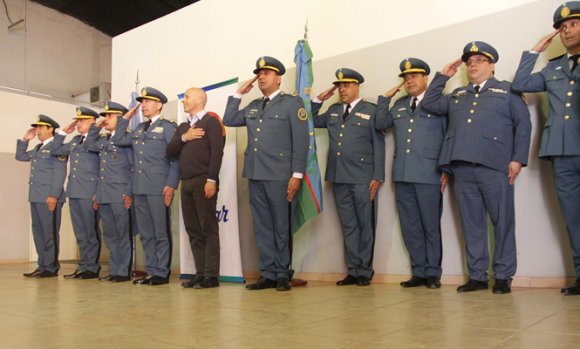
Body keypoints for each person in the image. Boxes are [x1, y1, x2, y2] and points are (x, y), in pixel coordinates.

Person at [421, 41, 532, 294]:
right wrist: (442, 76)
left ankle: (503, 275)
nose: (473, 64)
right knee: (472, 224)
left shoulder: (508, 92)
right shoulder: (458, 95)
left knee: (503, 222)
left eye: (479, 60)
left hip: (495, 166)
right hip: (462, 168)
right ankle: (478, 276)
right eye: (469, 62)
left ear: (492, 65)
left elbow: (523, 125)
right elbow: (429, 104)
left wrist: (518, 159)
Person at [223, 56, 309, 291]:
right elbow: (228, 119)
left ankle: (283, 273)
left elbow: (301, 142)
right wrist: (239, 94)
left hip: (281, 175)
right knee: (262, 226)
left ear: (278, 77)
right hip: (255, 174)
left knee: (281, 225)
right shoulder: (252, 106)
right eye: (259, 73)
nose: (261, 76)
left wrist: (297, 175)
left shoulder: (292, 104)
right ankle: (268, 273)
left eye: (267, 73)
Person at [512, 1, 580, 295]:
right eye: (562, 28)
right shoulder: (553, 69)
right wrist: (534, 52)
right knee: (573, 218)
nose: (566, 31)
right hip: (562, 152)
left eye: (573, 24)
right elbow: (520, 84)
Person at [375, 58, 447, 289]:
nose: (409, 80)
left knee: (430, 225)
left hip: (429, 172)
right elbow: (380, 123)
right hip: (403, 174)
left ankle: (433, 273)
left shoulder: (439, 104)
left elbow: (449, 137)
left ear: (425, 77)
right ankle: (418, 271)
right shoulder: (399, 105)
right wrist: (384, 99)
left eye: (414, 76)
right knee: (410, 225)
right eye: (406, 78)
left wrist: (446, 169)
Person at [312, 68, 385, 287]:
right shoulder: (333, 110)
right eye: (340, 86)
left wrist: (377, 176)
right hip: (339, 176)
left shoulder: (370, 110)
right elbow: (310, 120)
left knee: (365, 224)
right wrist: (317, 100)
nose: (342, 89)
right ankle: (352, 269)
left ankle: (364, 270)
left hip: (363, 177)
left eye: (347, 85)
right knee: (349, 226)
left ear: (357, 86)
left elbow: (378, 145)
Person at [114, 87, 180, 286]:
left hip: (158, 187)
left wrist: (171, 184)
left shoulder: (168, 127)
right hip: (139, 188)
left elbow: (175, 158)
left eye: (147, 101)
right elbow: (118, 139)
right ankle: (152, 270)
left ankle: (161, 272)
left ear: (159, 104)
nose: (143, 105)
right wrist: (124, 119)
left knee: (160, 231)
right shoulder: (139, 128)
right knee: (146, 233)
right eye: (141, 102)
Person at [167, 87, 224, 289]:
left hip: (203, 181)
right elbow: (170, 150)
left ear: (199, 100)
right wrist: (185, 137)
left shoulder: (211, 122)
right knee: (193, 229)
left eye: (187, 98)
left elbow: (217, 152)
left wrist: (212, 179)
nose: (183, 101)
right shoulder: (183, 127)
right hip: (186, 182)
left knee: (208, 227)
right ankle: (200, 273)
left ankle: (211, 275)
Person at [84, 101, 134, 283]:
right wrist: (96, 126)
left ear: (121, 118)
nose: (106, 119)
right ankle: (114, 270)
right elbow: (88, 144)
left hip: (120, 194)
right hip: (104, 193)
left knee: (122, 234)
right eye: (105, 116)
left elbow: (132, 168)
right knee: (110, 235)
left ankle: (122, 271)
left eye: (110, 116)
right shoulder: (103, 140)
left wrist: (129, 192)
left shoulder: (126, 140)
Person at [51, 107, 102, 280]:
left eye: (82, 120)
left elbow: (103, 168)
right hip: (74, 192)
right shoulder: (74, 141)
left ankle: (92, 268)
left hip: (89, 192)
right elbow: (55, 149)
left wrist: (98, 192)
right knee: (80, 232)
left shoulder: (98, 140)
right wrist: (63, 131)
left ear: (93, 122)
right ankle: (83, 266)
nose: (78, 124)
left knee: (90, 231)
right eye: (78, 121)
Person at [16, 115, 67, 278]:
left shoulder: (57, 148)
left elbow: (60, 173)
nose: (37, 131)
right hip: (36, 196)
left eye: (40, 127)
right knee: (38, 232)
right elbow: (21, 156)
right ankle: (43, 265)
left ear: (50, 129)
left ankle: (51, 267)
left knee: (49, 232)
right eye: (36, 128)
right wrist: (25, 139)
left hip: (49, 198)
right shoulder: (38, 148)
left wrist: (53, 195)